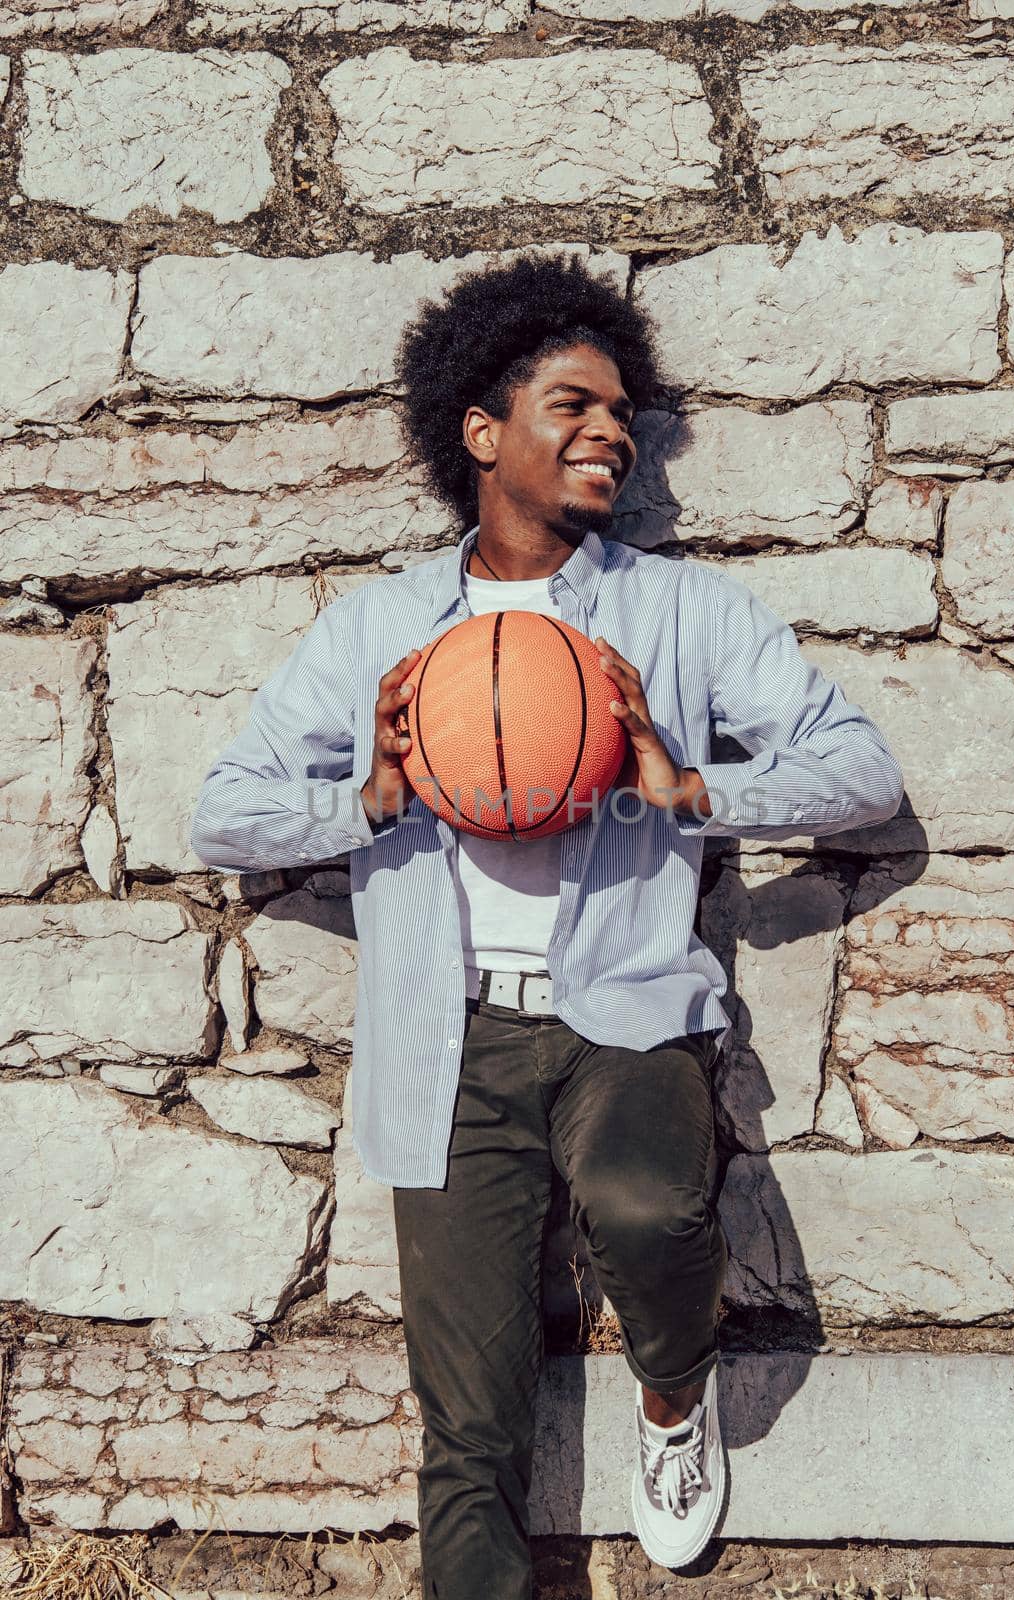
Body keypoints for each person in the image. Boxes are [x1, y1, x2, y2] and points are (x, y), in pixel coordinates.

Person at [189, 252, 904, 1596]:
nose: (610, 433)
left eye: (623, 413)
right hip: (442, 1040)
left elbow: (861, 772)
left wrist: (687, 785)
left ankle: (676, 1404)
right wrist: (374, 798)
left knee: (651, 1211)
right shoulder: (380, 628)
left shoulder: (676, 611)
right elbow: (225, 818)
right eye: (574, 406)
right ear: (482, 432)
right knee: (467, 1430)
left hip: (623, 1007)